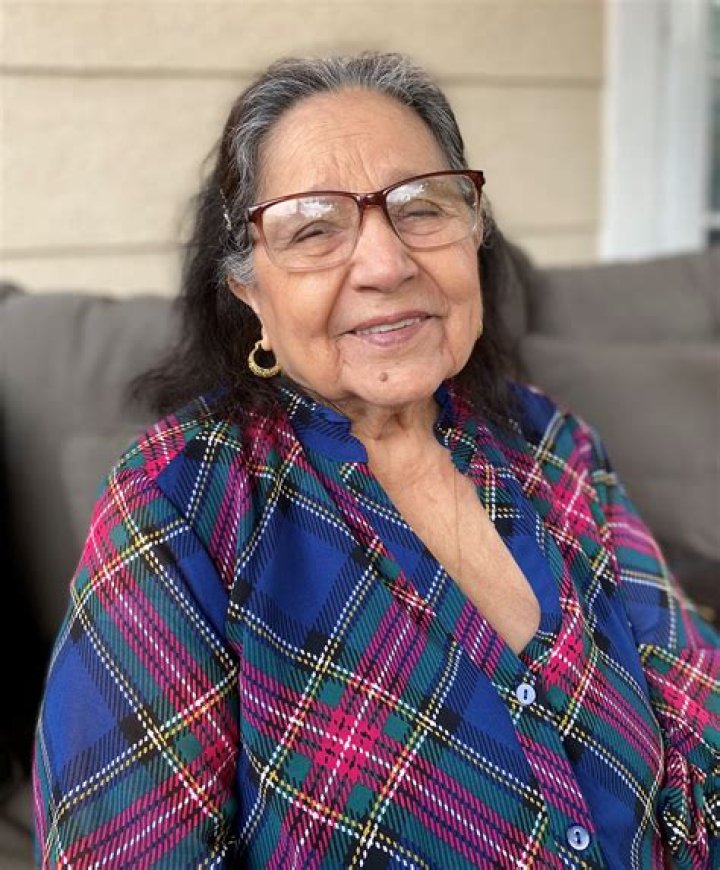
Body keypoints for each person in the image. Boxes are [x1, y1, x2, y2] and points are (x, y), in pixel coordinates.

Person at [33, 53, 718, 869]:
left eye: (422, 208)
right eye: (314, 229)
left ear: (474, 234)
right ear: (250, 291)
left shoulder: (551, 443)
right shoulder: (179, 499)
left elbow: (700, 725)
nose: (388, 265)